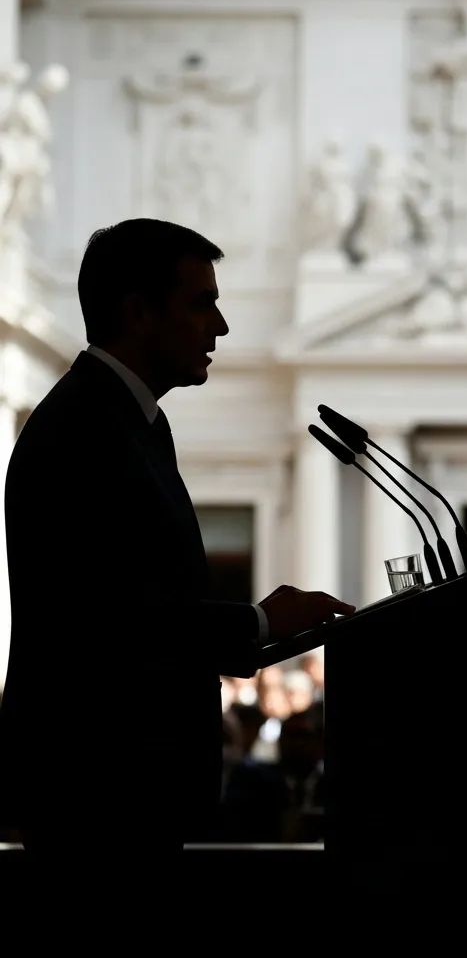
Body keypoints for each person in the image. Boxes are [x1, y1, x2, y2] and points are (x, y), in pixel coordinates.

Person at [0, 217, 355, 873]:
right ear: (138, 312)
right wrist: (259, 621)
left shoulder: (132, 423)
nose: (219, 327)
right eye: (202, 303)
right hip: (96, 798)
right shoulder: (81, 432)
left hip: (126, 798)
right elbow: (109, 625)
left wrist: (265, 630)